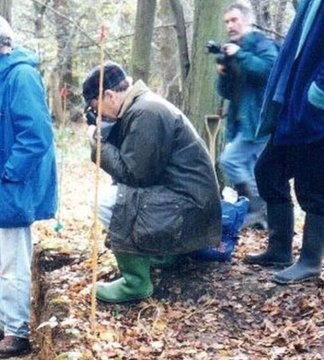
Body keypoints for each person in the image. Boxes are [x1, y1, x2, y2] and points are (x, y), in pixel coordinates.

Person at [82, 62, 222, 303]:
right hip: (188, 203)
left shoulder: (146, 112)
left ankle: (135, 282)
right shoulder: (143, 107)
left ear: (109, 95)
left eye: (97, 108)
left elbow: (136, 175)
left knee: (105, 201)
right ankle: (160, 255)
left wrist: (99, 145)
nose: (99, 116)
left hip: (189, 208)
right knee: (119, 196)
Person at [0, 12, 57, 359]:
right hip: (0, 182)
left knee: (14, 261)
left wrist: (9, 175)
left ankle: (17, 333)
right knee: (0, 256)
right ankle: (6, 322)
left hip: (12, 185)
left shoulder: (20, 76)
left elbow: (37, 136)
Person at [244, 0, 323, 284]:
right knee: (267, 170)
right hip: (293, 105)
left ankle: (311, 260)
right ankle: (279, 249)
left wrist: (318, 95)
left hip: (315, 110)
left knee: (313, 185)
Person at [215, 2, 278, 229]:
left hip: (260, 120)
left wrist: (240, 55)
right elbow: (225, 92)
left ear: (247, 20)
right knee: (254, 170)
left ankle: (258, 210)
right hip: (240, 122)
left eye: (234, 20)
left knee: (229, 160)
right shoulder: (232, 49)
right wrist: (223, 74)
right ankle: (266, 219)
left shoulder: (262, 43)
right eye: (227, 22)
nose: (230, 25)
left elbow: (269, 71)